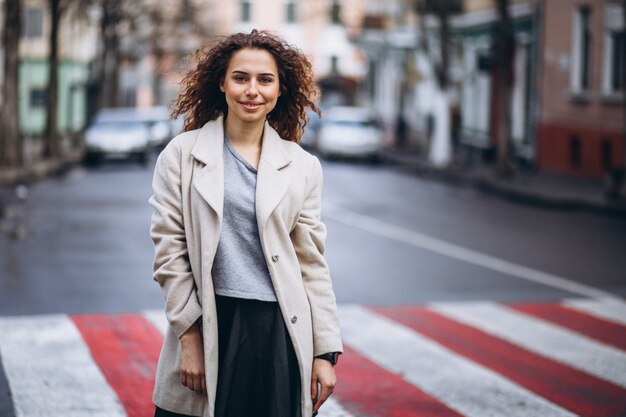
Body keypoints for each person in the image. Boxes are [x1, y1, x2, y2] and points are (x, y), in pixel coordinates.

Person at [149, 29, 343, 417]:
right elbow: (170, 253)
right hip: (210, 320)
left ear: (279, 89)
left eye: (265, 80)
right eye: (241, 78)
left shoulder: (302, 166)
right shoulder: (182, 155)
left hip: (279, 330)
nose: (252, 90)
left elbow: (311, 263)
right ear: (222, 83)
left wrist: (324, 352)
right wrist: (190, 340)